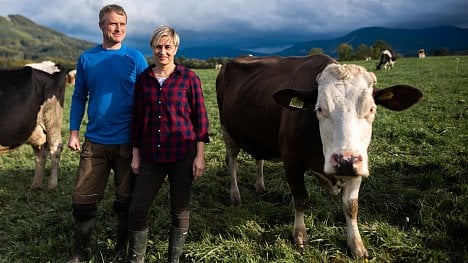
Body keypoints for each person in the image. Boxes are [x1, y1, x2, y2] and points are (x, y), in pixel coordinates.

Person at [67, 4, 148, 262]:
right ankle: (81, 252)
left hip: (127, 143)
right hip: (95, 142)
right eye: (113, 24)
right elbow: (79, 96)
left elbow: (148, 97)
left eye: (123, 24)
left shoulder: (135, 58)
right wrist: (73, 132)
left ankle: (120, 250)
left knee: (126, 201)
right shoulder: (87, 59)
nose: (119, 28)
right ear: (101, 25)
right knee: (82, 201)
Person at [127, 25, 210, 263]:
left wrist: (199, 155)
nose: (162, 52)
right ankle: (136, 259)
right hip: (151, 154)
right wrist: (135, 154)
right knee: (137, 209)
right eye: (158, 47)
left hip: (182, 153)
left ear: (175, 49)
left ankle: (174, 259)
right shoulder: (143, 80)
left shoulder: (189, 79)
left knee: (179, 208)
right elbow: (137, 118)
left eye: (167, 47)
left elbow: (200, 119)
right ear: (152, 49)